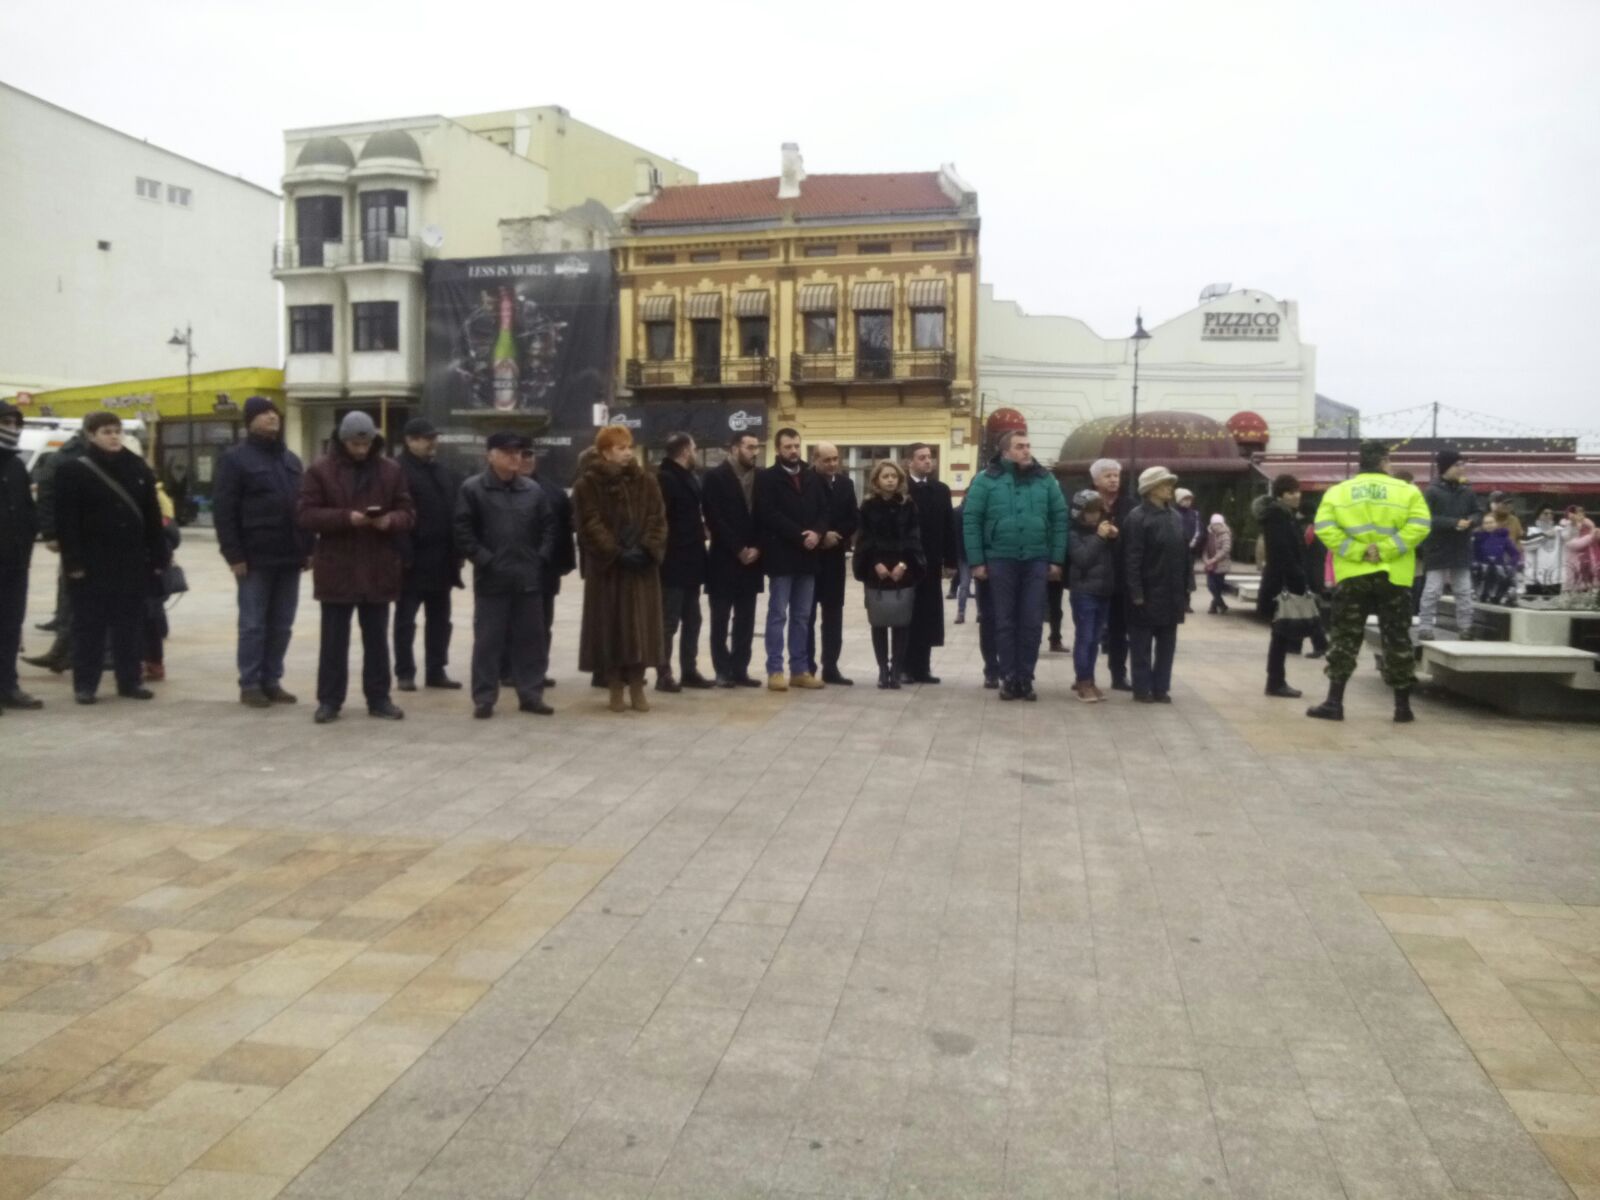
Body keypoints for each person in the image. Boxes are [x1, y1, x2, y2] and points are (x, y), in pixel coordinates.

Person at [297, 411, 415, 724]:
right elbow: (306, 514)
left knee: (377, 640)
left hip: (378, 567)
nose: (361, 450)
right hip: (337, 569)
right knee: (333, 641)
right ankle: (329, 701)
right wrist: (345, 518)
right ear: (342, 440)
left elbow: (408, 512)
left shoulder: (390, 470)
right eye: (355, 444)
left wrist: (390, 521)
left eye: (366, 444)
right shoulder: (320, 470)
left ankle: (379, 699)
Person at [1306, 440, 1432, 723]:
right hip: (1395, 575)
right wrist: (1386, 549)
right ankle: (1402, 707)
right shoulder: (1408, 491)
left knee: (1345, 637)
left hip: (1353, 574)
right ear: (1385, 462)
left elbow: (1324, 528)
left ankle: (1334, 702)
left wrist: (1358, 551)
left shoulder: (1338, 492)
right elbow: (1420, 526)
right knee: (1397, 638)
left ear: (1361, 462)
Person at [52, 412, 169, 704]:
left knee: (129, 625)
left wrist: (159, 555)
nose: (114, 436)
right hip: (91, 563)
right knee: (89, 626)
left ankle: (129, 681)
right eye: (106, 431)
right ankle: (86, 685)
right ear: (91, 435)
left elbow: (152, 516)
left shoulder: (137, 467)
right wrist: (73, 562)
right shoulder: (73, 470)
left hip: (131, 561)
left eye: (117, 431)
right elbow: (67, 522)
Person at [213, 395, 312, 708]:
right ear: (250, 421)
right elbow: (224, 510)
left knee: (282, 625)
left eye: (275, 413)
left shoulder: (290, 459)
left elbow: (303, 506)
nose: (272, 417)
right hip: (254, 557)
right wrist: (234, 554)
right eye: (264, 413)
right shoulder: (235, 459)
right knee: (253, 625)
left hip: (289, 555)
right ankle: (251, 683)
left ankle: (272, 680)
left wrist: (308, 547)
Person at [454, 432, 555, 719]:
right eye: (508, 452)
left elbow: (549, 527)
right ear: (491, 455)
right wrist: (485, 560)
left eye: (518, 452)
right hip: (492, 579)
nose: (515, 457)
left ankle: (531, 694)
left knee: (531, 640)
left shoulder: (533, 490)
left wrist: (540, 558)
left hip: (528, 578)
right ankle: (484, 698)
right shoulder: (473, 489)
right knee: (488, 641)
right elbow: (462, 531)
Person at [962, 430, 1068, 701]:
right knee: (1004, 621)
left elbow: (1060, 519)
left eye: (1028, 446)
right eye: (1020, 446)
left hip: (1036, 559)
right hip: (1000, 558)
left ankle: (1026, 677)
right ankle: (1008, 677)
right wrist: (977, 561)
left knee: (1032, 621)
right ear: (1005, 451)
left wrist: (1056, 559)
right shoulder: (986, 480)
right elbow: (971, 520)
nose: (1026, 451)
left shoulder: (1045, 480)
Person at [574, 425, 667, 713]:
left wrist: (647, 548)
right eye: (620, 448)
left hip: (641, 569)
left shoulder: (647, 481)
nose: (628, 453)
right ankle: (615, 686)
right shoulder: (588, 484)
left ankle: (638, 686)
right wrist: (614, 552)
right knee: (610, 628)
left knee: (643, 627)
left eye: (629, 447)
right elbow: (589, 523)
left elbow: (658, 518)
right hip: (609, 570)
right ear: (605, 452)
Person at [755, 427, 829, 691]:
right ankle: (775, 670)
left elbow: (824, 511)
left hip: (808, 558)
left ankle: (799, 669)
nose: (794, 451)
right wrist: (800, 536)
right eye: (788, 446)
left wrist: (817, 533)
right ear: (778, 449)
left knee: (802, 616)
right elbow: (768, 514)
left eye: (796, 445)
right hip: (782, 556)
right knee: (778, 615)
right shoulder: (766, 478)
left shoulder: (812, 477)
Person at [394, 418, 463, 692]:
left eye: (434, 437)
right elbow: (397, 515)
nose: (432, 442)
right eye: (426, 438)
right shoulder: (397, 471)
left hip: (442, 560)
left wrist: (457, 552)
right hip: (412, 560)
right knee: (406, 620)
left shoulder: (441, 470)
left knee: (440, 620)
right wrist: (404, 554)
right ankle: (405, 672)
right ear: (409, 440)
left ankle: (436, 670)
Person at [22, 426, 88, 674]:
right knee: (73, 593)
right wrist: (50, 532)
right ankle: (64, 651)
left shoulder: (111, 457)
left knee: (75, 594)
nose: (114, 436)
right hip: (76, 538)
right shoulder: (65, 458)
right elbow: (47, 496)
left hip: (87, 538)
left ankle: (65, 651)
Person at [853, 460, 924, 689]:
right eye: (885, 476)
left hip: (903, 568)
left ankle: (896, 670)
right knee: (879, 621)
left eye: (894, 476)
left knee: (901, 621)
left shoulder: (908, 505)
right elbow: (863, 538)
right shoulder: (868, 506)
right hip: (876, 569)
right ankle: (883, 670)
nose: (890, 480)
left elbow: (914, 537)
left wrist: (904, 564)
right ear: (876, 480)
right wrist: (875, 563)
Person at [701, 432, 764, 688]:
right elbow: (714, 517)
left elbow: (766, 515)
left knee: (746, 619)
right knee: (720, 619)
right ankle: (722, 670)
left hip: (753, 560)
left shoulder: (761, 478)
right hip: (724, 559)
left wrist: (758, 547)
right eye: (749, 447)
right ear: (735, 448)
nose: (754, 452)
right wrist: (738, 549)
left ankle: (740, 669)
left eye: (757, 447)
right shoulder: (715, 477)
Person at [1123, 467, 1189, 704]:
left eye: (1170, 483)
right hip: (1147, 592)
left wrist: (1186, 588)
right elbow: (1131, 559)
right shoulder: (1137, 518)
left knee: (1167, 645)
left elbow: (1185, 556)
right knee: (1141, 645)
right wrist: (1136, 593)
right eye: (1164, 484)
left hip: (1171, 593)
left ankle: (1161, 687)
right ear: (1150, 489)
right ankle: (1142, 688)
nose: (1169, 488)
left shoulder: (1175, 517)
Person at [656, 431, 713, 692]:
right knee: (669, 621)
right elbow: (661, 521)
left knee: (693, 619)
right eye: (694, 448)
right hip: (673, 561)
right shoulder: (666, 479)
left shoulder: (689, 477)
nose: (696, 452)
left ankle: (689, 670)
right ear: (685, 451)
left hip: (691, 560)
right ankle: (663, 673)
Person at [901, 444, 957, 684]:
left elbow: (949, 527)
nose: (928, 461)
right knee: (908, 615)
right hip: (906, 563)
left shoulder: (940, 490)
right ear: (909, 462)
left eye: (930, 457)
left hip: (932, 562)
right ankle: (904, 667)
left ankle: (922, 667)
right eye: (922, 457)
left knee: (929, 615)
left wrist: (951, 560)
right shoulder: (902, 489)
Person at [806, 442, 860, 685]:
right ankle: (806, 666)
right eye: (826, 460)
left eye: (835, 459)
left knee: (833, 615)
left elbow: (853, 517)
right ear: (815, 460)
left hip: (835, 558)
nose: (832, 464)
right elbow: (803, 515)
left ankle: (831, 667)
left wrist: (837, 535)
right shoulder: (806, 482)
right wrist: (821, 536)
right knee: (806, 615)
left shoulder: (846, 484)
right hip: (810, 557)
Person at [0, 401, 42, 710]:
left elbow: (27, 510)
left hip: (15, 561)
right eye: (5, 423)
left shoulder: (15, 465)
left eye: (16, 424)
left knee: (10, 626)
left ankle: (8, 686)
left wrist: (26, 542)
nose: (12, 429)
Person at [1259, 475, 1313, 699]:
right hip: (1281, 585)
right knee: (1280, 634)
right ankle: (1275, 682)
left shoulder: (1286, 516)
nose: (1296, 496)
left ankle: (1276, 680)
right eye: (1291, 492)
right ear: (1280, 495)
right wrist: (1300, 581)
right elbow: (1284, 555)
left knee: (1281, 634)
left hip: (1284, 582)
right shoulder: (1277, 518)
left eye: (1298, 491)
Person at [525, 447, 576, 685]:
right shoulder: (493, 488)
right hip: (509, 569)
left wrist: (565, 563)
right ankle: (507, 669)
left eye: (529, 455)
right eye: (519, 454)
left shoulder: (552, 491)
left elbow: (564, 530)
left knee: (542, 623)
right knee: (510, 624)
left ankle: (537, 670)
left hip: (545, 570)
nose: (525, 460)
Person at [1419, 448, 1482, 640]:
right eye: (1457, 465)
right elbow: (1426, 519)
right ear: (1446, 467)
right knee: (1432, 590)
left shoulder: (1467, 491)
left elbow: (1478, 512)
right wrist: (1453, 523)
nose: (1462, 468)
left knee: (1464, 590)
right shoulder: (1432, 491)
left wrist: (1472, 521)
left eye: (1462, 464)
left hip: (1460, 547)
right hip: (1437, 547)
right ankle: (1425, 627)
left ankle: (1466, 627)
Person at [1066, 489, 1116, 703]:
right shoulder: (1073, 534)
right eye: (1090, 511)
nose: (1094, 516)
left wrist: (1114, 538)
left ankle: (1089, 678)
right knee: (1085, 638)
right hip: (1083, 591)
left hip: (1103, 591)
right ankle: (1083, 680)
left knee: (1095, 639)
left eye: (1097, 511)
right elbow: (1083, 559)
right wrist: (1099, 538)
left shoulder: (1102, 532)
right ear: (1080, 513)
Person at [1090, 458, 1134, 690]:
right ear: (1096, 480)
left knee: (1119, 630)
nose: (1114, 480)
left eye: (1116, 475)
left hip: (1120, 576)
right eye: (1108, 476)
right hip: (1092, 575)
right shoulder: (1087, 504)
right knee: (1089, 631)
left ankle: (1118, 675)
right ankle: (1085, 677)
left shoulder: (1130, 505)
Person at [141, 482, 180, 684]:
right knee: (152, 612)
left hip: (151, 561)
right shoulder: (158, 493)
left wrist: (161, 558)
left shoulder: (154, 496)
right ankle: (151, 662)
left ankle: (152, 662)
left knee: (150, 613)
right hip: (153, 560)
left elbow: (168, 530)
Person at [1046, 473, 1073, 652]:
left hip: (1056, 564)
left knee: (1055, 606)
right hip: (1038, 562)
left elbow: (1064, 536)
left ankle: (1055, 638)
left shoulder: (1062, 511)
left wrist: (1059, 562)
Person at [1473, 514, 1522, 606]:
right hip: (1482, 569)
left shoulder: (1503, 538)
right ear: (1483, 525)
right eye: (1486, 523)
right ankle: (1481, 594)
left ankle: (1504, 596)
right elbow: (1472, 554)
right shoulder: (1478, 539)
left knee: (1505, 572)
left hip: (1499, 568)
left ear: (1496, 524)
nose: (1489, 525)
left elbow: (1515, 554)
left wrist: (1511, 564)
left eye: (1491, 522)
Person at [1520, 506, 1565, 597]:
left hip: (1554, 579)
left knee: (1553, 605)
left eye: (1551, 513)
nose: (1549, 515)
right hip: (1534, 580)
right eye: (1545, 513)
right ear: (1538, 515)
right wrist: (1544, 535)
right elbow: (1525, 544)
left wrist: (1572, 524)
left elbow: (1571, 535)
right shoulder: (1531, 530)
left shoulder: (1558, 530)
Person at [1175, 488, 1204, 615]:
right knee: (1177, 576)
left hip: (1190, 550)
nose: (1187, 502)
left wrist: (1193, 542)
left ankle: (1186, 603)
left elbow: (1199, 530)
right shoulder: (1173, 513)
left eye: (1189, 499)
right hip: (1177, 550)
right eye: (1185, 499)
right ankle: (1177, 602)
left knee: (1188, 577)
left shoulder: (1195, 514)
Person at [1201, 514, 1233, 613]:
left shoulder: (1225, 534)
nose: (1215, 526)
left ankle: (1214, 606)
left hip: (1221, 565)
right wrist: (1205, 559)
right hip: (1210, 565)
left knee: (1216, 587)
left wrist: (1214, 559)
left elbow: (1226, 549)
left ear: (1222, 524)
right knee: (1211, 585)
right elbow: (1206, 549)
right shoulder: (1210, 535)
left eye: (1218, 524)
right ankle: (1221, 605)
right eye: (1214, 524)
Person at [1563, 507, 1598, 593]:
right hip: (1575, 565)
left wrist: (1593, 529)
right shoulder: (1568, 529)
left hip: (1589, 561)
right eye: (1577, 514)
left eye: (1582, 514)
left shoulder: (1588, 527)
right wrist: (1591, 535)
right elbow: (1575, 544)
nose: (1580, 516)